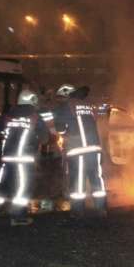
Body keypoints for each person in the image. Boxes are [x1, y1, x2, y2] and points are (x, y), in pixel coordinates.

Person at [0, 90, 50, 225]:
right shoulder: (35, 117)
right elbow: (45, 138)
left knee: (2, 185)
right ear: (33, 101)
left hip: (7, 157)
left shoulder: (7, 116)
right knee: (23, 187)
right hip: (24, 159)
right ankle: (18, 216)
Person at [53, 84, 108, 217]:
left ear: (66, 96)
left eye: (61, 97)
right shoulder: (87, 105)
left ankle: (78, 211)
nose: (60, 100)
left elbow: (60, 129)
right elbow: (102, 113)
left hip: (78, 151)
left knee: (78, 181)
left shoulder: (64, 107)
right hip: (94, 149)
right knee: (96, 179)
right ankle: (101, 208)